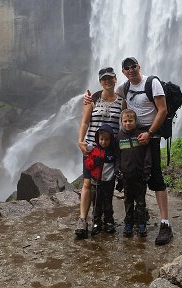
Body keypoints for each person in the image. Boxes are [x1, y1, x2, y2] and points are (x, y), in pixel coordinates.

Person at [84, 57, 173, 245]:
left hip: (150, 137)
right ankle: (135, 217)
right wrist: (90, 98)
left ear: (139, 67)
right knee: (132, 178)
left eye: (133, 66)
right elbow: (108, 93)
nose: (131, 70)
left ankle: (165, 223)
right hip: (131, 138)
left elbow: (163, 110)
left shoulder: (152, 83)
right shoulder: (124, 88)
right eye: (127, 68)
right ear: (123, 72)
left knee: (155, 178)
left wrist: (149, 133)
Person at [76, 67, 126, 239]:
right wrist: (80, 141)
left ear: (115, 79)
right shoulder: (92, 100)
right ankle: (83, 219)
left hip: (110, 151)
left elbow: (124, 124)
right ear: (100, 82)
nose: (107, 81)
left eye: (110, 78)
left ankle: (105, 219)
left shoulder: (121, 101)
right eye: (104, 79)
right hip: (91, 148)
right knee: (88, 183)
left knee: (106, 184)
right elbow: (84, 122)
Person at [115, 109, 151, 238]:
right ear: (121, 122)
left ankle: (142, 224)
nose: (127, 123)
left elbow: (147, 154)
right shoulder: (119, 137)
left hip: (140, 176)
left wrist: (147, 170)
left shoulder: (141, 135)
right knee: (128, 201)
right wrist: (117, 170)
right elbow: (117, 156)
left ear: (135, 121)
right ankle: (128, 223)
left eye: (130, 121)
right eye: (125, 121)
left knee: (141, 202)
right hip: (126, 177)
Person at [85, 124, 116, 235]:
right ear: (98, 139)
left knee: (108, 202)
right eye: (101, 139)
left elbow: (116, 164)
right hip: (96, 181)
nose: (104, 142)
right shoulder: (94, 151)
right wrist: (94, 162)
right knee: (97, 203)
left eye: (107, 140)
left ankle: (109, 221)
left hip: (109, 182)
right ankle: (96, 222)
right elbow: (88, 164)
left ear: (111, 140)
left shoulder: (113, 152)